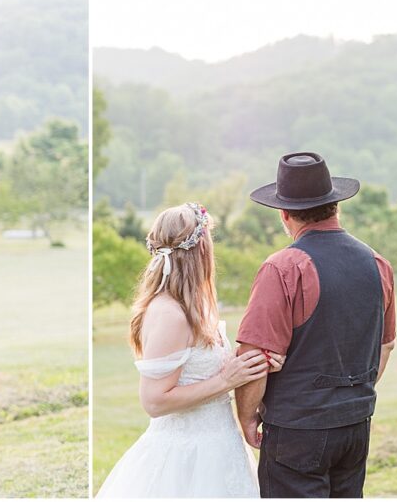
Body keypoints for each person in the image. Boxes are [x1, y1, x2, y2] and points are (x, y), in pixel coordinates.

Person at [235, 152, 396, 498]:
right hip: (355, 425)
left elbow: (254, 356)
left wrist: (247, 417)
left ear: (284, 214)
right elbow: (386, 345)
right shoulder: (378, 263)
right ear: (335, 206)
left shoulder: (283, 268)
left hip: (297, 430)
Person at [97, 202, 285, 498]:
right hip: (189, 458)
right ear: (201, 250)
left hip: (221, 447)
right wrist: (226, 381)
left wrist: (255, 364)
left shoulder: (196, 306)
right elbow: (154, 401)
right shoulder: (170, 313)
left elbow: (202, 368)